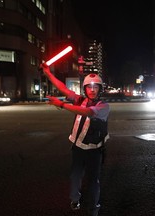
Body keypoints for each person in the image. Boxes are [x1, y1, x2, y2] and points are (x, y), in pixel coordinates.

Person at [40, 63, 110, 216]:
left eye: (95, 87)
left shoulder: (104, 106)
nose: (92, 90)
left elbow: (88, 113)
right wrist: (48, 73)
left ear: (100, 89)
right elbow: (63, 89)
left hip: (94, 150)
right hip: (78, 147)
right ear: (84, 89)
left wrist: (62, 104)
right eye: (89, 87)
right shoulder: (79, 100)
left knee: (93, 180)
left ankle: (94, 208)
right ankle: (75, 199)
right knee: (75, 175)